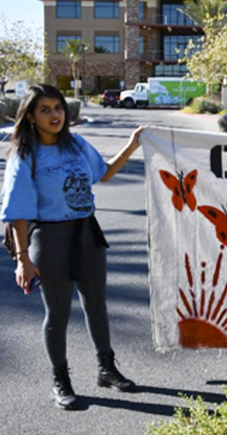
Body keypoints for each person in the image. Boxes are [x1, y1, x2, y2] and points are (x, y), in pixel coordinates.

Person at [1, 84, 143, 410]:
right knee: (58, 314)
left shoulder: (76, 144)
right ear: (31, 118)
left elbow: (104, 173)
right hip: (48, 238)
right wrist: (23, 259)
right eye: (45, 110)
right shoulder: (25, 155)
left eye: (58, 107)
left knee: (97, 304)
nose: (55, 115)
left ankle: (107, 369)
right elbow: (18, 213)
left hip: (86, 233)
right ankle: (60, 380)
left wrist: (132, 145)